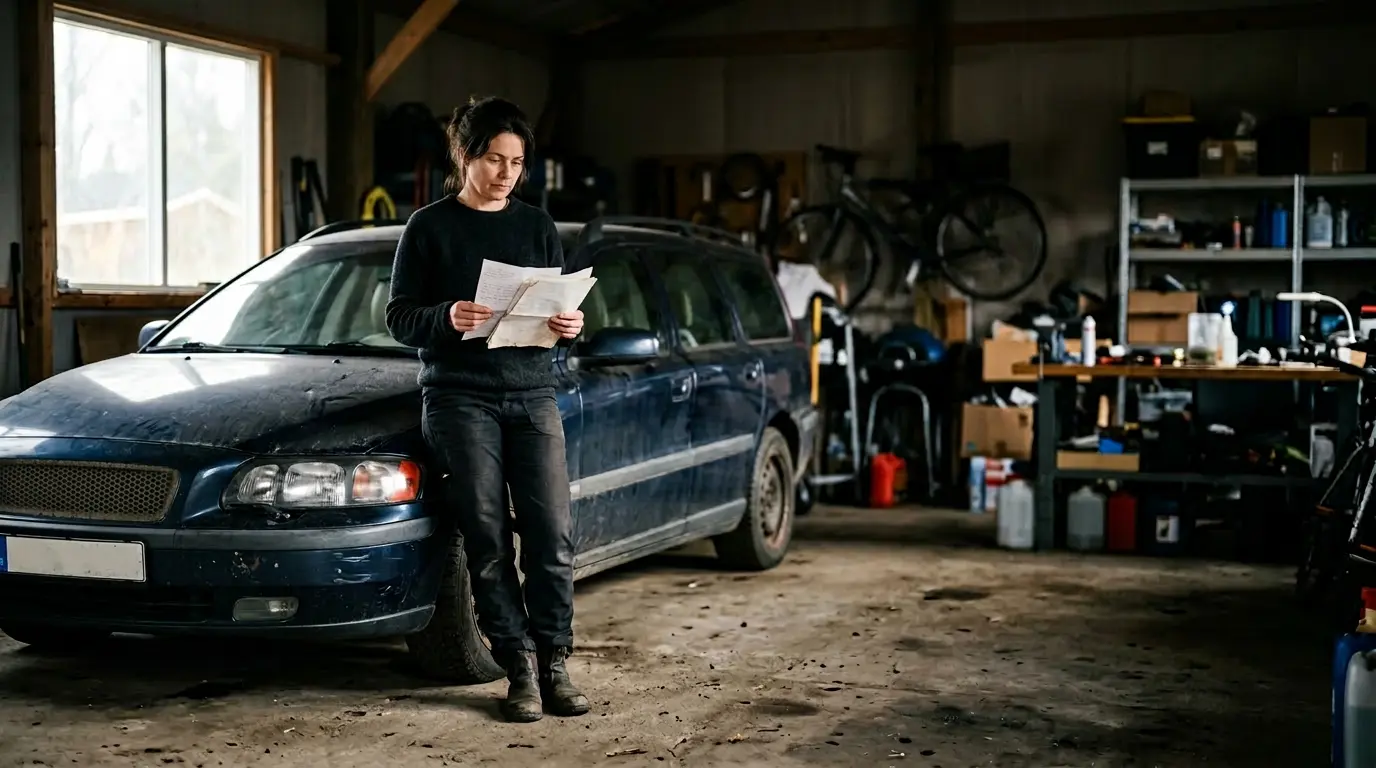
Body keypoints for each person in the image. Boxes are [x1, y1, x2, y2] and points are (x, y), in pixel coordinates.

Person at [385, 96, 588, 723]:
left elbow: (554, 307)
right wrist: (445, 317)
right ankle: (518, 667)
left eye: (517, 162)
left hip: (531, 392)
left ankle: (556, 661)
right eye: (495, 159)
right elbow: (399, 317)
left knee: (551, 533)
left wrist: (569, 323)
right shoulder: (428, 227)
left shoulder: (536, 225)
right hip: (459, 397)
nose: (506, 173)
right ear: (465, 156)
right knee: (487, 534)